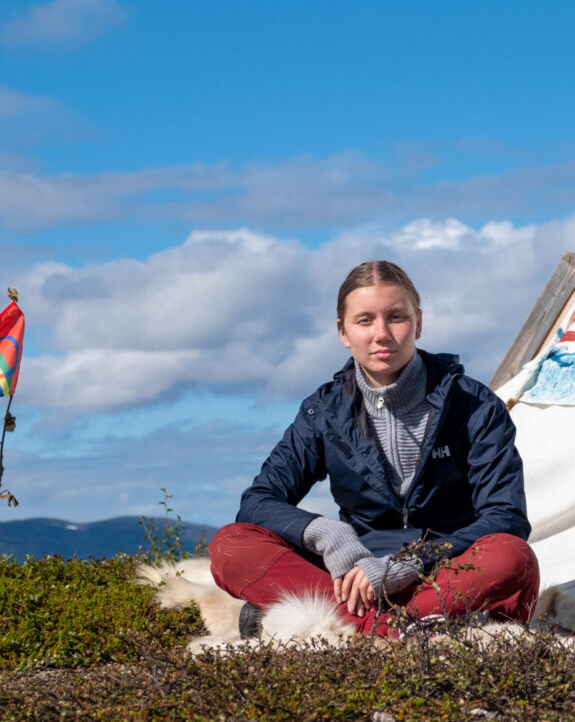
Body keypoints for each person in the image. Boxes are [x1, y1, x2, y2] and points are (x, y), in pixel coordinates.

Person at [209, 260, 538, 637]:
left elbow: (506, 517)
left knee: (513, 557)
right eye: (365, 321)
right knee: (230, 545)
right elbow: (258, 501)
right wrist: (331, 537)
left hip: (444, 570)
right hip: (357, 580)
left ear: (418, 322)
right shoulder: (324, 412)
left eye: (395, 317)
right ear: (343, 332)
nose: (382, 334)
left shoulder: (475, 406)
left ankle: (355, 627)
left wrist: (409, 564)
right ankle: (399, 630)